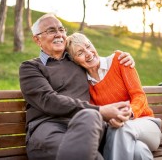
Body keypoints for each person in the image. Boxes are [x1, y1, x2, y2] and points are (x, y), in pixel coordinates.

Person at [19, 13, 135, 160]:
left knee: (91, 117)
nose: (59, 34)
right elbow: (48, 100)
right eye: (51, 31)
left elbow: (99, 62)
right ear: (37, 39)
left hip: (87, 125)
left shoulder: (77, 61)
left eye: (61, 30)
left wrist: (123, 58)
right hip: (49, 128)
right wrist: (99, 110)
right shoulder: (30, 67)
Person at [65, 32, 162, 160]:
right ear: (74, 60)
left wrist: (129, 114)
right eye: (80, 53)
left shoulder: (119, 60)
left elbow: (139, 95)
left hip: (146, 125)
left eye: (88, 46)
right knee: (139, 151)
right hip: (118, 133)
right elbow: (96, 113)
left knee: (121, 128)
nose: (88, 53)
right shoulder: (84, 84)